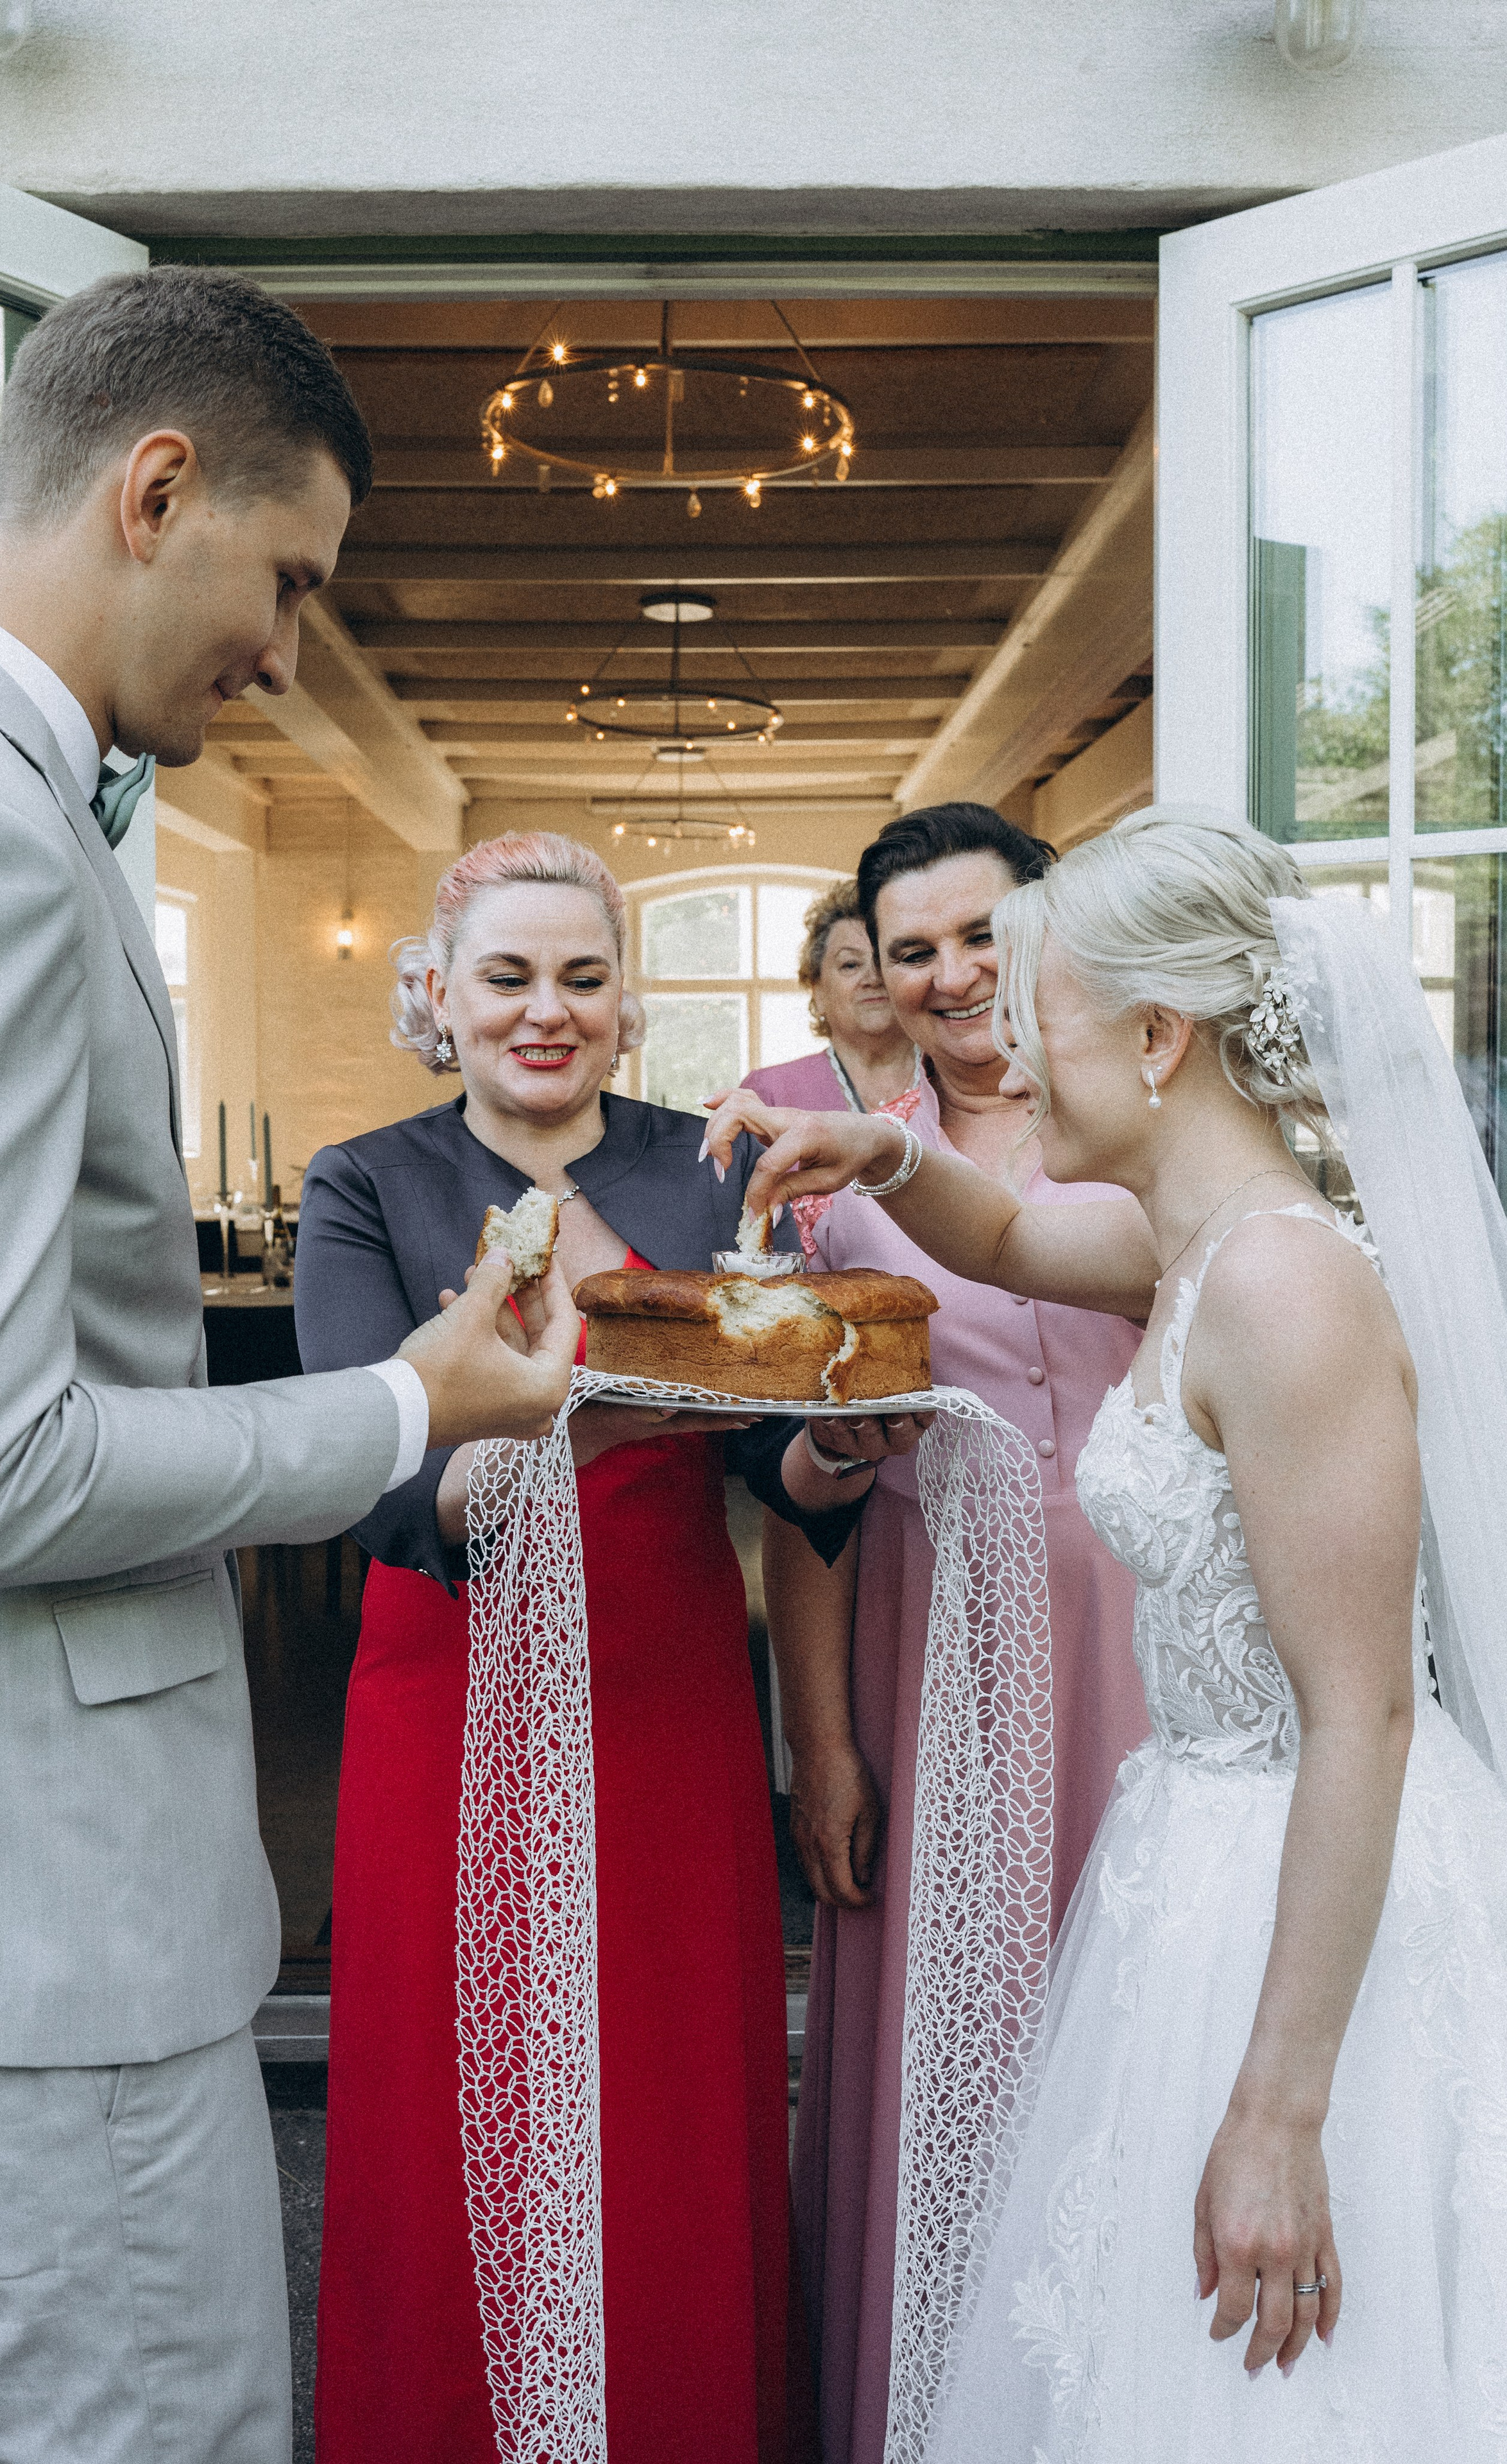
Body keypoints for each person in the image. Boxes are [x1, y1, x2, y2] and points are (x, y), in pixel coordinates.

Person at [0, 270, 577, 2464]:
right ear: (154, 490)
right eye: (291, 580)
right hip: (52, 1929)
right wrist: (409, 1406)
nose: (287, 650)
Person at [709, 805, 1507, 2460]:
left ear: (1154, 1037)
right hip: (1199, 1858)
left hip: (1302, 1874)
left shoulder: (1284, 1288)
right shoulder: (1194, 1236)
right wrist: (886, 1154)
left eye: (1035, 1016)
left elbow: (1355, 1717)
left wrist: (1281, 2108)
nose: (1003, 1050)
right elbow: (999, 1236)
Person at [293, 830, 919, 2464]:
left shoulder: (701, 1168)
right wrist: (601, 1401)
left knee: (664, 2101)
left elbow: (763, 1456)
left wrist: (838, 1447)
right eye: (507, 977)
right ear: (440, 992)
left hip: (660, 1687)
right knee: (449, 2106)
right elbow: (386, 1481)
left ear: (628, 1005)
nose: (544, 1012)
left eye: (581, 978)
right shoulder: (363, 1183)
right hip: (445, 1681)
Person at [754, 803, 1148, 2464]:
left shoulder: (1147, 1133)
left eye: (980, 934)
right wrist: (826, 1748)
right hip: (937, 1660)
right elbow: (799, 1490)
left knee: (1142, 2015)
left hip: (1146, 1643)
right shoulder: (842, 1203)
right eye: (911, 951)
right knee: (946, 2057)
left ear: (1048, 932)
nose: (951, 975)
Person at [741, 876, 918, 1114]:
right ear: (817, 991)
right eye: (851, 965)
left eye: (884, 960)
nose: (874, 979)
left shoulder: (960, 1082)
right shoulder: (769, 1094)